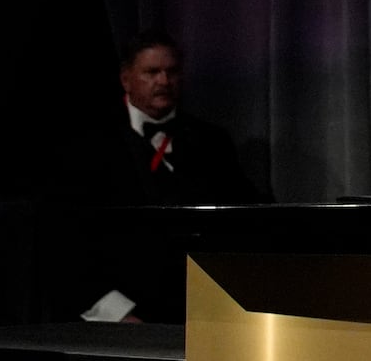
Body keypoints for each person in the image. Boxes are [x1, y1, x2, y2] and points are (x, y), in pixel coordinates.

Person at [55, 29, 260, 321]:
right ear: (126, 79)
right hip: (117, 317)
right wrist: (117, 313)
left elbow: (243, 218)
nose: (163, 81)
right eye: (152, 72)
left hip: (201, 310)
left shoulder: (212, 141)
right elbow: (68, 239)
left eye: (171, 72)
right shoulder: (89, 145)